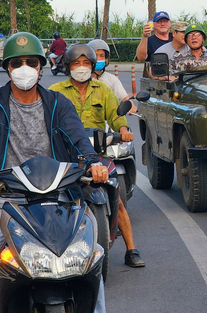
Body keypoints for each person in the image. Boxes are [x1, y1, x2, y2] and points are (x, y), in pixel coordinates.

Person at [0, 32, 109, 312]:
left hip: (59, 198)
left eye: (31, 62)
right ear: (7, 68)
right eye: (17, 63)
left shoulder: (58, 104)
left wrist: (92, 162)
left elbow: (77, 137)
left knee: (90, 263)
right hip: (5, 199)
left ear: (41, 67)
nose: (24, 68)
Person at [49, 44, 145, 268]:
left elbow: (116, 114)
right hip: (66, 156)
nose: (81, 68)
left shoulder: (103, 90)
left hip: (98, 152)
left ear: (93, 67)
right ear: (67, 66)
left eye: (85, 63)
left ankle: (131, 250)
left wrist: (123, 131)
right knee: (54, 200)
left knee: (118, 202)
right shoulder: (56, 91)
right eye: (76, 63)